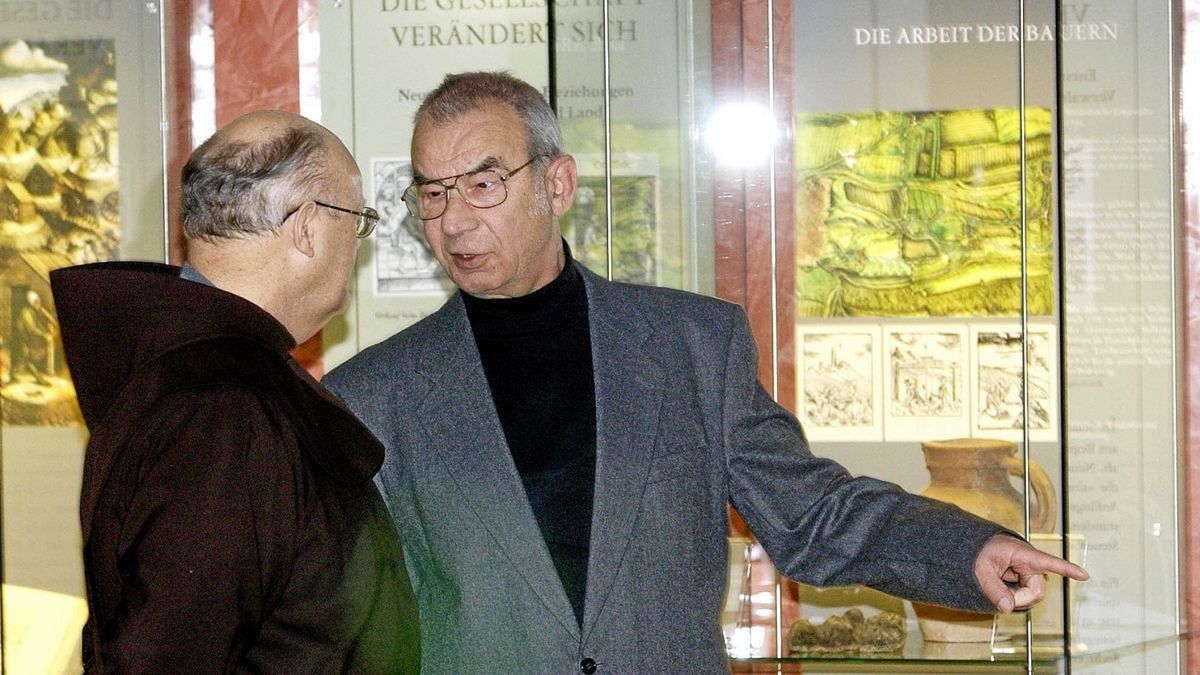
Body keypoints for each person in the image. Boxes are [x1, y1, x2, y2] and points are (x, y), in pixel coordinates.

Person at [324, 72, 1086, 673]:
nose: (454, 220)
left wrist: (966, 550)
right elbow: (354, 624)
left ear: (556, 184)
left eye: (483, 184)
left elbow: (811, 514)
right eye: (433, 192)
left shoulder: (691, 344)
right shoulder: (372, 395)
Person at [51, 110, 420, 673]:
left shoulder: (210, 385)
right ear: (307, 228)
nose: (358, 240)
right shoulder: (223, 416)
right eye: (359, 218)